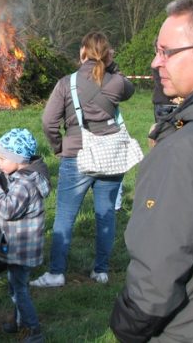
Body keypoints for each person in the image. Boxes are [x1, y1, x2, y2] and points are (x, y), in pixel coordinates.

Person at [110, 0, 193, 342]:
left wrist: (125, 326)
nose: (154, 62)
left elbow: (155, 279)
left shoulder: (185, 151)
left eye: (167, 51)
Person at [31, 31, 135, 288]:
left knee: (65, 215)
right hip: (110, 156)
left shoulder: (67, 83)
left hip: (76, 155)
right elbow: (130, 89)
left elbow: (48, 122)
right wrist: (111, 66)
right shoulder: (116, 82)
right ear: (108, 53)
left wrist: (58, 147)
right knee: (106, 214)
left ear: (82, 52)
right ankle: (100, 271)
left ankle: (56, 273)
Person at [0, 128, 50, 343]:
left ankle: (33, 330)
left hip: (21, 248)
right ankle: (19, 322)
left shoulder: (23, 184)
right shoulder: (21, 174)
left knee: (19, 289)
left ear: (18, 159)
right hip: (20, 246)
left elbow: (6, 210)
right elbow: (2, 170)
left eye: (2, 158)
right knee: (15, 285)